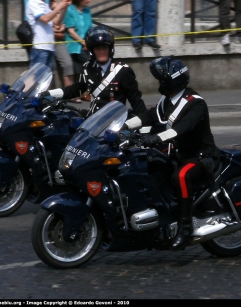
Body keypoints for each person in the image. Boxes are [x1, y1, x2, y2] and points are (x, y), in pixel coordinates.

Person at [121, 56, 220, 251]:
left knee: (181, 176)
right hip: (180, 153)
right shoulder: (167, 101)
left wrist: (156, 138)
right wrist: (124, 126)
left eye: (161, 80)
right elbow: (149, 116)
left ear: (171, 80)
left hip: (200, 156)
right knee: (151, 166)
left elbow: (183, 128)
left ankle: (185, 229)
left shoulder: (195, 103)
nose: (159, 83)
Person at [50, 25, 147, 115]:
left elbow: (136, 100)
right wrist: (49, 94)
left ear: (110, 49)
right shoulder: (88, 68)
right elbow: (75, 90)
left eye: (104, 47)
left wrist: (144, 124)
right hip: (93, 121)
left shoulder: (122, 71)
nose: (102, 52)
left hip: (113, 123)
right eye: (98, 48)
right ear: (92, 51)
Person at [26, 0, 71, 70]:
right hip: (40, 48)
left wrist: (65, 7)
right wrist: (59, 7)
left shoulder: (45, 4)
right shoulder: (33, 2)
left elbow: (57, 22)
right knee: (36, 78)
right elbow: (45, 19)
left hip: (50, 48)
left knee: (46, 79)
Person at [63, 0, 92, 81]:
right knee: (89, 63)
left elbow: (90, 29)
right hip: (74, 46)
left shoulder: (87, 10)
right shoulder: (70, 10)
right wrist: (84, 43)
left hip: (85, 45)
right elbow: (71, 32)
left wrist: (88, 43)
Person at [51, 0, 74, 87]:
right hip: (46, 42)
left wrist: (64, 7)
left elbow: (58, 24)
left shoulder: (58, 9)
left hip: (59, 41)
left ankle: (69, 92)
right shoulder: (42, 6)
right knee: (49, 69)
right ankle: (48, 95)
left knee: (68, 64)